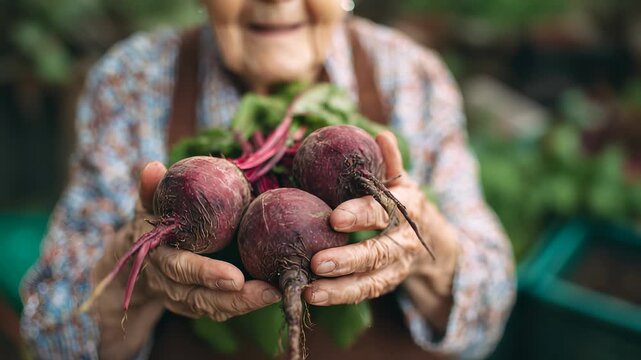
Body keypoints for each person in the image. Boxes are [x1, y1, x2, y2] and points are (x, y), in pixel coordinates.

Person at [20, 0, 515, 359]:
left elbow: (489, 313)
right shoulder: (130, 82)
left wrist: (429, 250)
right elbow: (48, 330)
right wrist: (133, 271)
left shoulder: (410, 76)